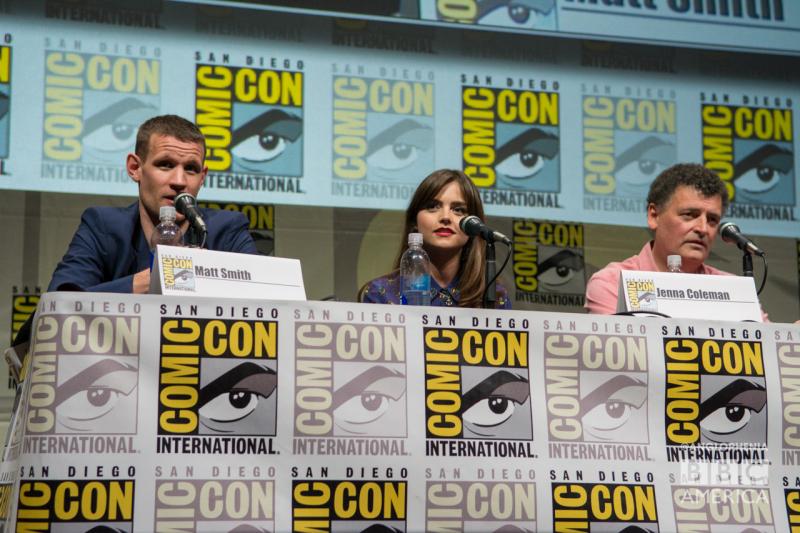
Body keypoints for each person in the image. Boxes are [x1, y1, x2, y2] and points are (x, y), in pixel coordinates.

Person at [48, 114, 257, 294]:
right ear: (134, 167)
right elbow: (61, 301)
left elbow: (266, 297)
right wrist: (142, 284)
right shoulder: (102, 226)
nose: (179, 181)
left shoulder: (228, 230)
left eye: (191, 169)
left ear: (202, 177)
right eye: (165, 165)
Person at [585, 162, 756, 315]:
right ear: (654, 216)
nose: (703, 229)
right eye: (689, 215)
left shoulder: (734, 291)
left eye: (712, 220)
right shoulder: (613, 284)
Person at [360, 169, 510, 309]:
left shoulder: (495, 297)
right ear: (414, 223)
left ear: (474, 225)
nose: (445, 217)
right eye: (433, 206)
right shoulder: (381, 294)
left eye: (458, 210)